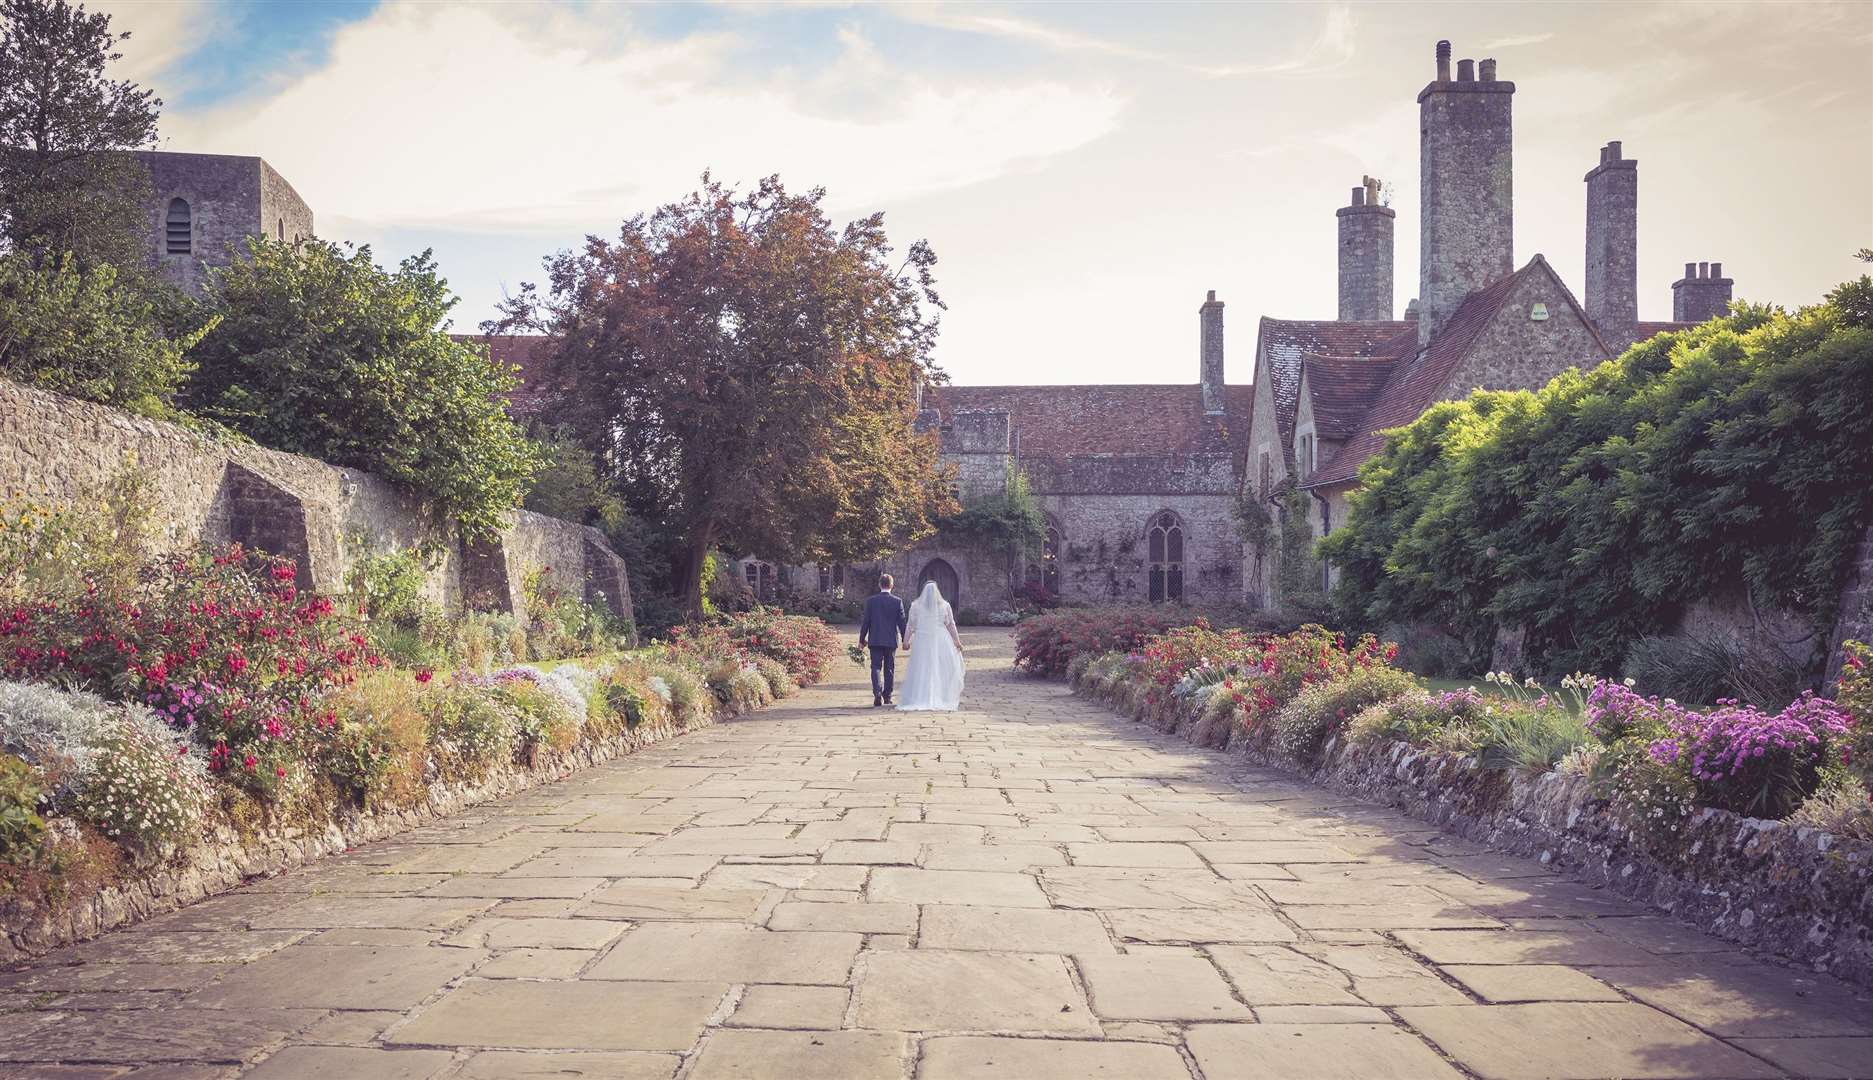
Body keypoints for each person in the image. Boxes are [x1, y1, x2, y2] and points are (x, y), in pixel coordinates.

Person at [896, 581, 964, 711]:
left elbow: (910, 625)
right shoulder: (945, 605)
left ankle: (919, 696)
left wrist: (906, 642)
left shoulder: (915, 606)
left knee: (921, 667)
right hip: (940, 639)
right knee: (939, 667)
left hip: (922, 639)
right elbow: (951, 624)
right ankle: (940, 696)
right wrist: (957, 641)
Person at [857, 573, 907, 707]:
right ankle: (888, 696)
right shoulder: (897, 601)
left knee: (875, 667)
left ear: (880, 584)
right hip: (890, 640)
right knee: (889, 668)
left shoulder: (871, 601)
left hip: (875, 639)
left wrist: (861, 640)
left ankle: (877, 694)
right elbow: (902, 623)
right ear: (892, 585)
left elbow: (866, 622)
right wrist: (905, 639)